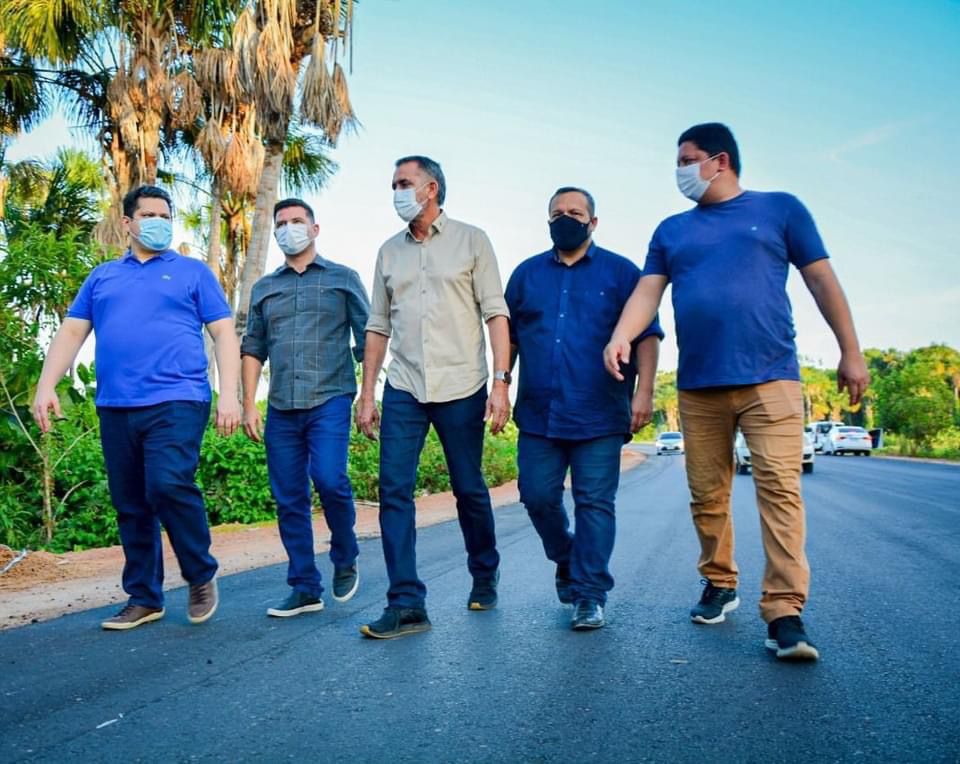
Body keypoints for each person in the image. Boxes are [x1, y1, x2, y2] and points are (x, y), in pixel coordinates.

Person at [604, 123, 870, 661]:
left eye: (687, 160)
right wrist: (621, 334)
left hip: (771, 378)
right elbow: (648, 292)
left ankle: (785, 611)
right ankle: (720, 581)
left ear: (719, 160)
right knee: (707, 495)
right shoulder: (671, 231)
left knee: (780, 492)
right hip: (700, 387)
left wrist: (851, 350)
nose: (679, 170)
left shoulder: (780, 209)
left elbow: (822, 280)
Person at [32, 184, 242, 630]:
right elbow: (72, 332)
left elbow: (224, 332)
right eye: (148, 215)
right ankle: (145, 597)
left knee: (167, 483)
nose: (158, 222)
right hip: (116, 404)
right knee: (130, 502)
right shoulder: (103, 277)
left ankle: (199, 573)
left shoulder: (192, 272)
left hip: (178, 398)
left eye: (165, 215)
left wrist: (230, 394)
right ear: (127, 223)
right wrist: (46, 384)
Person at [356, 155, 511, 639]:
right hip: (405, 385)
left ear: (431, 189)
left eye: (404, 183)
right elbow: (378, 325)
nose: (397, 192)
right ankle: (406, 603)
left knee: (468, 487)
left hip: (462, 384)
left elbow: (496, 313)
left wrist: (501, 382)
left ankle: (484, 570)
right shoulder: (388, 252)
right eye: (393, 185)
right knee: (393, 490)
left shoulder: (472, 240)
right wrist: (367, 393)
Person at [505, 187, 663, 631]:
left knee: (594, 502)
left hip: (600, 411)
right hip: (539, 412)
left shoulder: (622, 273)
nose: (565, 219)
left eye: (575, 212)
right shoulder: (526, 275)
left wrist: (645, 392)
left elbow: (647, 334)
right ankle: (568, 557)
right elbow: (509, 339)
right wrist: (499, 385)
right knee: (536, 495)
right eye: (557, 213)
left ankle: (590, 594)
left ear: (593, 222)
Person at [241, 198, 369, 617]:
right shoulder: (265, 288)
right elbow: (253, 347)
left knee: (329, 479)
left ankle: (345, 553)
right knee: (288, 496)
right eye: (281, 223)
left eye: (297, 221)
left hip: (330, 397)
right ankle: (304, 586)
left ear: (315, 230)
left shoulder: (343, 279)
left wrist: (369, 395)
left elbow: (368, 339)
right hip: (281, 405)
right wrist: (248, 404)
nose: (288, 229)